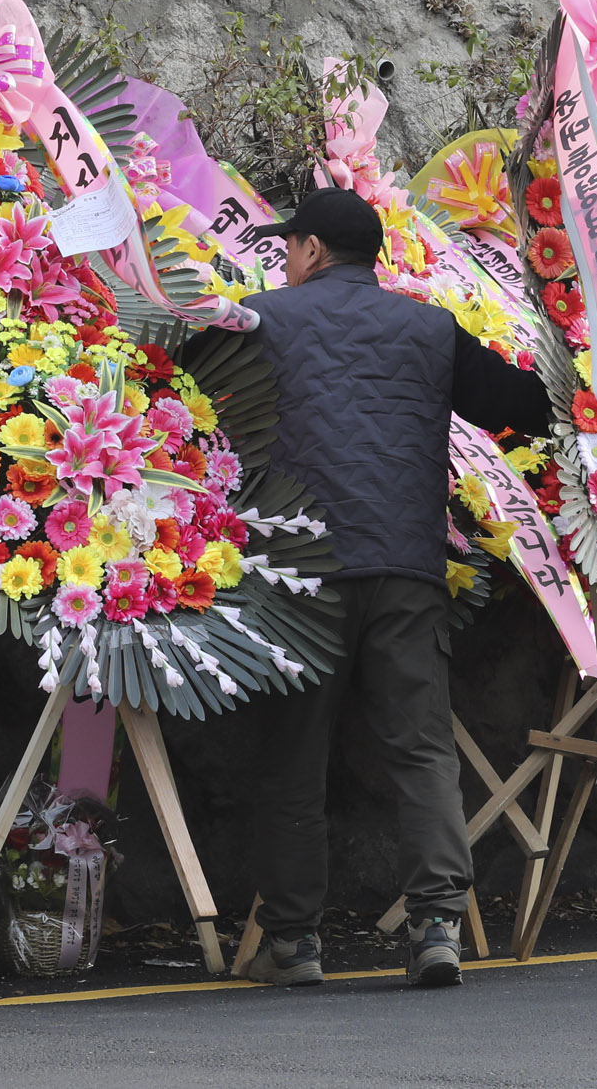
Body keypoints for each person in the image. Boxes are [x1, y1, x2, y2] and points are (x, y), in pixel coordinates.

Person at [232, 187, 548, 988]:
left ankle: (296, 940)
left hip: (299, 570)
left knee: (294, 755)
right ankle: (437, 923)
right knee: (419, 747)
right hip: (405, 565)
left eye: (290, 246)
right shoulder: (429, 326)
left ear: (309, 250)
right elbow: (520, 406)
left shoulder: (262, 318)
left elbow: (182, 387)